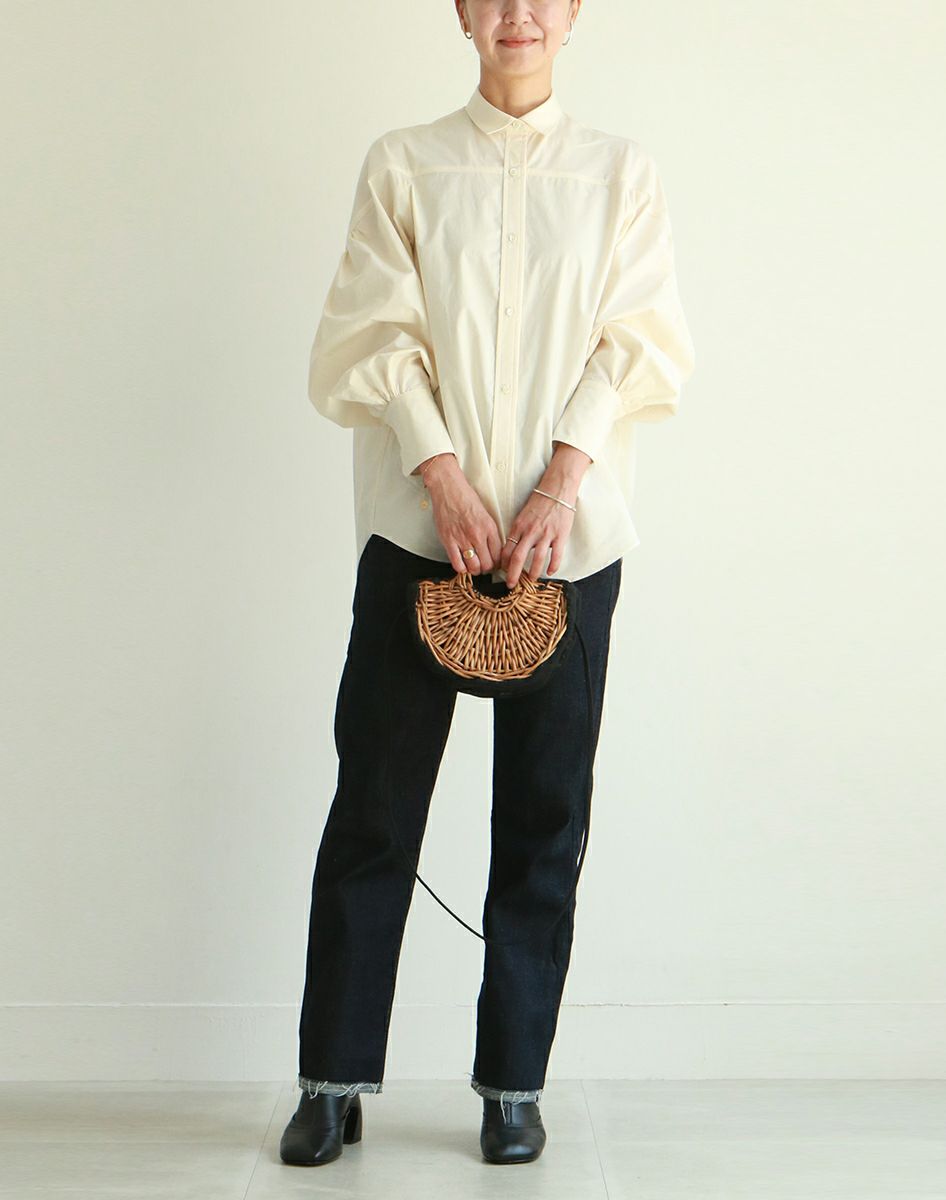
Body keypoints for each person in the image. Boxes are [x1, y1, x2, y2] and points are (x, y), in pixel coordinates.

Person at [280, 0, 696, 1168]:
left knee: (544, 823)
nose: (518, 13)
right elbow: (372, 332)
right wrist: (443, 478)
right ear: (463, 13)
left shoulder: (621, 175)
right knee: (373, 811)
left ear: (573, 14)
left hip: (568, 548)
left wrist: (557, 484)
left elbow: (638, 343)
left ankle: (513, 1084)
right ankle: (331, 1080)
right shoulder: (404, 165)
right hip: (420, 535)